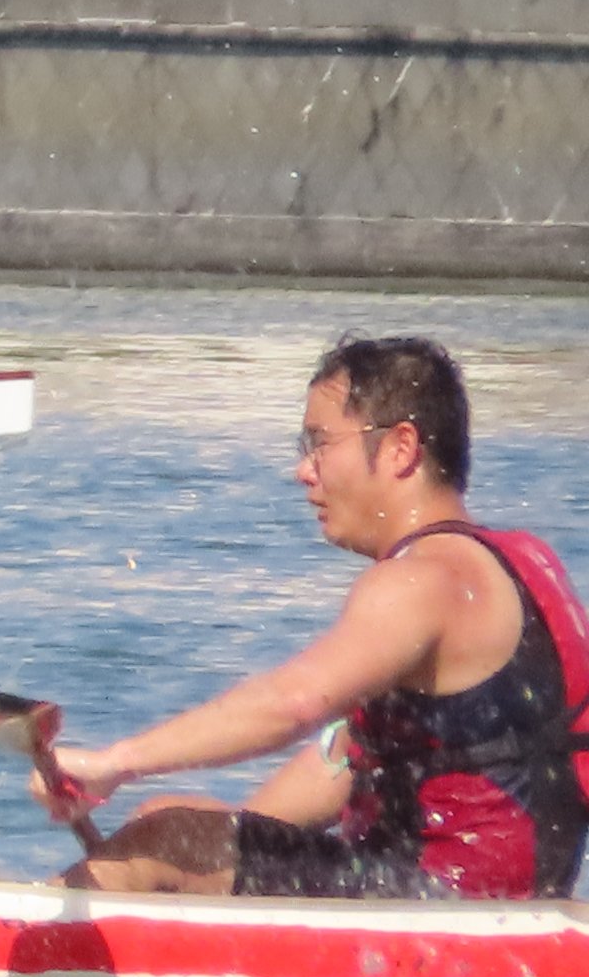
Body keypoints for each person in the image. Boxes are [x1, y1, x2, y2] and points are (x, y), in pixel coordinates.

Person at [42, 335, 589, 897]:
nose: (303, 470)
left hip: (446, 905)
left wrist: (114, 763)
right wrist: (208, 862)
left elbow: (294, 704)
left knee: (166, 838)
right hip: (508, 893)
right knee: (170, 822)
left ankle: (9, 932)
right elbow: (341, 764)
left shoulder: (419, 581)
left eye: (320, 443)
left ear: (401, 448)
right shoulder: (524, 559)